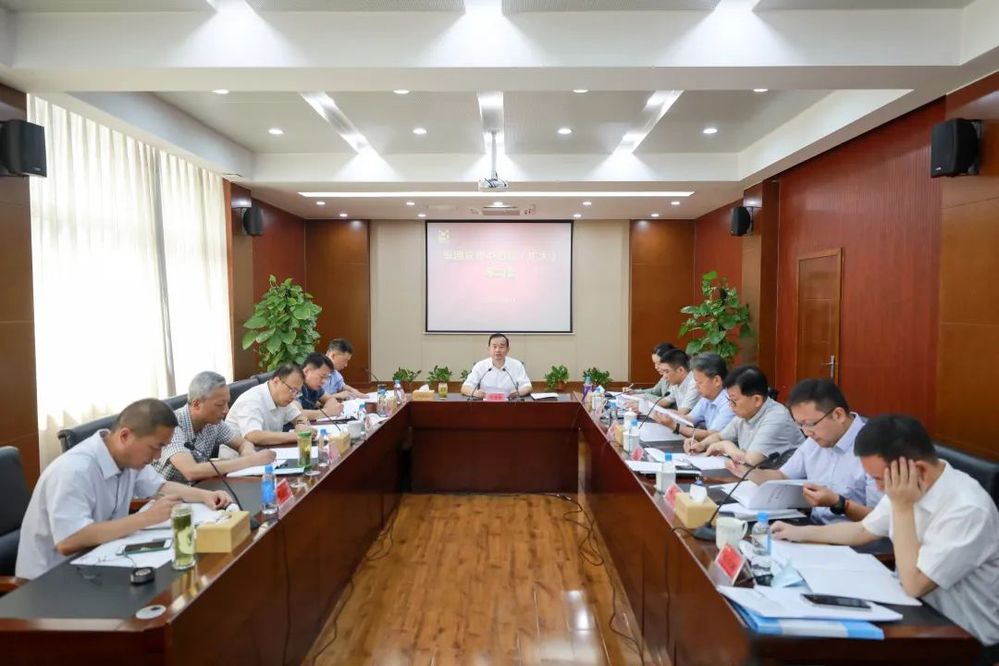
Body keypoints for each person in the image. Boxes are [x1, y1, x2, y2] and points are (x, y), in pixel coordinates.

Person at [771, 415, 999, 658]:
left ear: (918, 469)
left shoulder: (967, 509)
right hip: (914, 614)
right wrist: (798, 532)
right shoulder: (908, 481)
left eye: (879, 479)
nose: (879, 488)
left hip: (964, 640)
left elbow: (914, 585)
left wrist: (902, 507)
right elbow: (863, 530)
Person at [16, 399, 232, 580]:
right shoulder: (73, 470)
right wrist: (145, 518)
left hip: (100, 561)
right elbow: (69, 540)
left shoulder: (128, 459)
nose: (157, 457)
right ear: (125, 436)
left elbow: (161, 486)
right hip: (52, 582)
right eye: (156, 447)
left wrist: (205, 495)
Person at [727, 378, 881, 523]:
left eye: (810, 424)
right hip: (814, 528)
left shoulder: (877, 448)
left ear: (838, 415)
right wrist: (747, 471)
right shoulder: (815, 440)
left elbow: (881, 521)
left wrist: (839, 503)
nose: (806, 432)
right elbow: (782, 476)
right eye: (801, 425)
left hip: (854, 539)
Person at [154, 372, 277, 483]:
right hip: (164, 496)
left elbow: (243, 443)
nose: (226, 410)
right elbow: (191, 471)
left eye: (227, 403)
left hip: (199, 488)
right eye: (220, 404)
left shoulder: (213, 423)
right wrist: (250, 461)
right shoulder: (171, 425)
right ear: (197, 404)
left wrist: (249, 454)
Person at [686, 365, 803, 466]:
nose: (730, 406)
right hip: (753, 479)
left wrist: (726, 446)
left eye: (734, 400)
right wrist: (701, 445)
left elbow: (751, 461)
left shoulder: (776, 418)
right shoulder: (745, 413)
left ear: (756, 400)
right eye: (729, 400)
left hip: (783, 482)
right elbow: (720, 437)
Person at [654, 352, 734, 441]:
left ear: (716, 380)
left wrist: (674, 426)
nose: (696, 386)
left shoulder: (730, 401)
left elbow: (712, 435)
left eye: (699, 382)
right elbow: (689, 419)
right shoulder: (707, 397)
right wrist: (666, 414)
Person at [226, 363, 309, 446]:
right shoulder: (251, 400)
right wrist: (298, 436)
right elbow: (253, 436)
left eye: (297, 392)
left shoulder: (282, 397)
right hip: (239, 452)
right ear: (276, 381)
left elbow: (299, 416)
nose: (294, 396)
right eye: (292, 390)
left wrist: (301, 425)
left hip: (266, 450)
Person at [461, 333, 532, 398]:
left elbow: (527, 386)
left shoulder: (517, 365)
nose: (497, 350)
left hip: (510, 403)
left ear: (508, 349)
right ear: (488, 349)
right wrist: (476, 393)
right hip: (485, 403)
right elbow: (465, 387)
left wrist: (518, 393)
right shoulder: (480, 366)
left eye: (501, 347)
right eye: (494, 346)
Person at [299, 352, 344, 420]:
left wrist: (328, 409)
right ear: (306, 371)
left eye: (326, 378)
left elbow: (330, 398)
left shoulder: (314, 387)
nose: (324, 381)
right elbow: (297, 414)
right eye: (322, 377)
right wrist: (328, 412)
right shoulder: (295, 383)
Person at [654, 348, 700, 412]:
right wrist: (646, 405)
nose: (664, 377)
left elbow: (682, 412)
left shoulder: (694, 383)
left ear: (680, 370)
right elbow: (666, 401)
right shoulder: (676, 382)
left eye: (667, 371)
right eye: (663, 372)